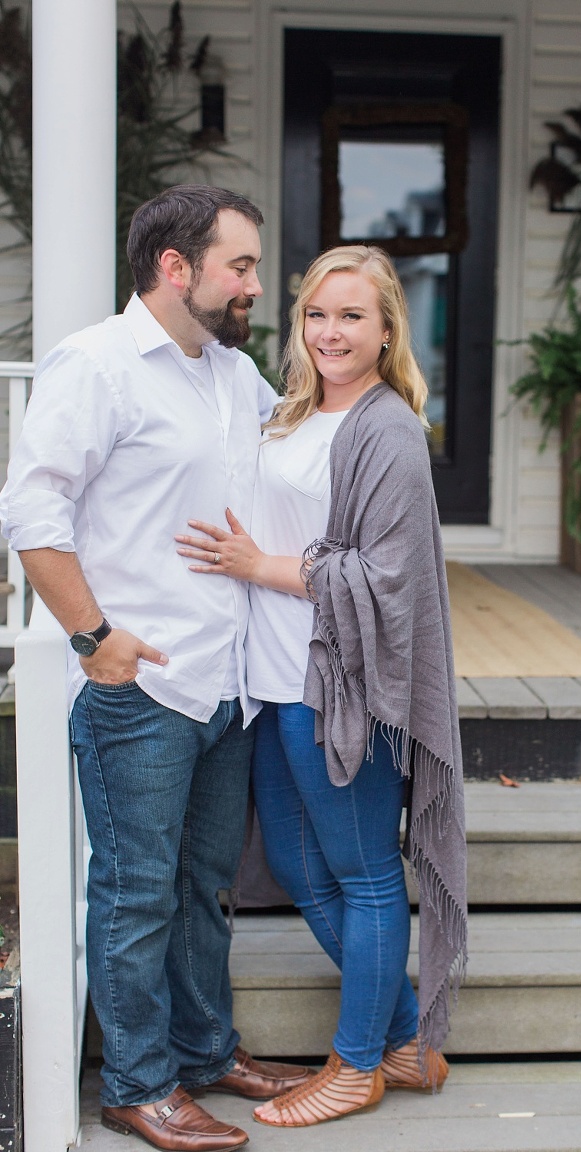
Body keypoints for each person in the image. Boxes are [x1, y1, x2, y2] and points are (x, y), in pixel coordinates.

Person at [0, 185, 315, 1152]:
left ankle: (205, 1051)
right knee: (138, 891)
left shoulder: (233, 373)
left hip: (226, 682)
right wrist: (94, 637)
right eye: (241, 265)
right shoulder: (96, 365)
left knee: (205, 885)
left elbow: (297, 453)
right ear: (176, 268)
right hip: (141, 686)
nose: (255, 284)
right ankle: (138, 1086)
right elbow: (32, 512)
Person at [174, 244, 468, 1129]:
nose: (330, 332)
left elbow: (387, 576)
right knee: (301, 867)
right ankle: (406, 1040)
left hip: (341, 686)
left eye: (351, 317)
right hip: (273, 679)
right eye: (316, 314)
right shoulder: (291, 411)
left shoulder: (387, 430)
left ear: (386, 330)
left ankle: (354, 1066)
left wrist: (260, 565)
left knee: (367, 875)